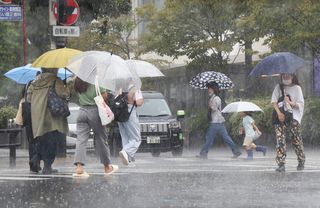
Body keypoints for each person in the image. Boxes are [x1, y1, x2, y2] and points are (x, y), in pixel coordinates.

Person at [27, 68, 70, 174]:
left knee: (41, 140)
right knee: (52, 141)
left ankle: (35, 159)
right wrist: (66, 86)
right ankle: (47, 166)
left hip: (37, 115)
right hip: (51, 115)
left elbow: (28, 98)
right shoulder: (55, 80)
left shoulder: (34, 81)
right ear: (52, 69)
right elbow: (64, 94)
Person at [73, 77, 118, 177]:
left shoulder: (78, 80)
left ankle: (79, 167)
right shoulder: (97, 80)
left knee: (81, 140)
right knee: (101, 139)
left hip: (82, 111)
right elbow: (104, 96)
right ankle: (107, 167)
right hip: (95, 111)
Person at [197, 82, 241, 159]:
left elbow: (214, 108)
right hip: (218, 122)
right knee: (225, 138)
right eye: (208, 89)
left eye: (210, 89)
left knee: (209, 138)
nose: (209, 90)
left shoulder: (216, 98)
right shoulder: (212, 97)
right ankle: (236, 151)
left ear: (213, 89)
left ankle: (203, 153)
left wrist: (210, 105)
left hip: (216, 122)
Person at [271, 73, 305, 172]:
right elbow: (274, 101)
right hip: (280, 117)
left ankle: (301, 160)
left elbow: (300, 104)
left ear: (293, 76)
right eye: (284, 75)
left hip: (293, 117)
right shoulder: (278, 87)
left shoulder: (297, 88)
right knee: (280, 140)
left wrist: (290, 103)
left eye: (288, 75)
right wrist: (279, 114)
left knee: (296, 140)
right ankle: (281, 163)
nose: (286, 76)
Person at [118, 84, 144, 166]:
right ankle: (126, 152)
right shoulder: (135, 88)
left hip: (120, 113)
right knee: (136, 139)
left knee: (125, 137)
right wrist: (138, 99)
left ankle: (129, 160)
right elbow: (139, 102)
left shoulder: (120, 87)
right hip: (130, 113)